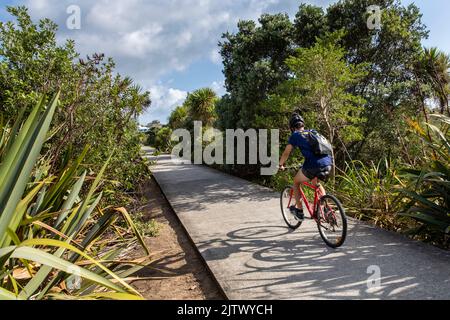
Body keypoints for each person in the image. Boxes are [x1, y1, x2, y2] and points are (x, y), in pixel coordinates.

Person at [279, 114, 334, 220]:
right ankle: (326, 209)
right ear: (303, 124)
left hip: (313, 165)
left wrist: (280, 165)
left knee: (296, 182)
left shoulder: (295, 135)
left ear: (292, 127)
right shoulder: (313, 132)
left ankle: (299, 211)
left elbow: (286, 153)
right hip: (328, 163)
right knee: (316, 183)